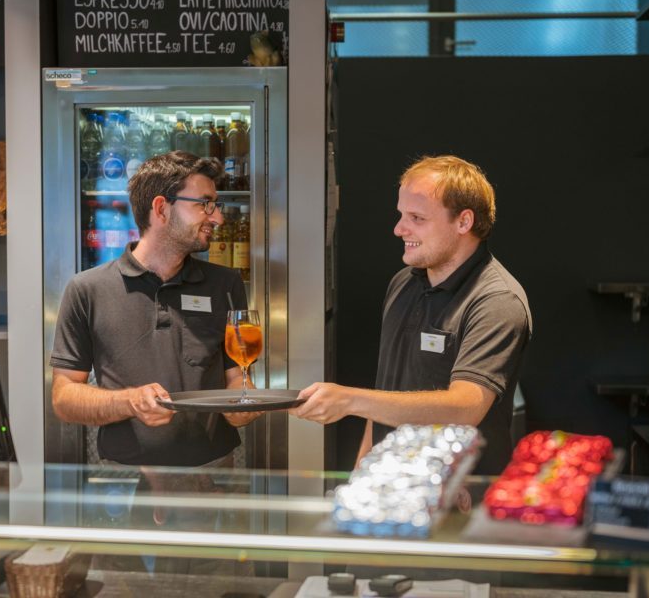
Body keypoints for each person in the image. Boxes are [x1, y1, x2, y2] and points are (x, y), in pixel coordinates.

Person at [291, 155, 532, 474]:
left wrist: (349, 400)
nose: (399, 229)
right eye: (401, 215)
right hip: (390, 482)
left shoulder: (496, 300)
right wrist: (361, 469)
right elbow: (385, 392)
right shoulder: (404, 282)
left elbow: (466, 407)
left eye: (417, 218)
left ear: (463, 222)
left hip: (457, 494)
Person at [50, 151, 259, 468]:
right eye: (204, 204)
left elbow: (238, 379)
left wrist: (243, 404)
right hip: (124, 478)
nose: (217, 218)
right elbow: (64, 398)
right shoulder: (87, 289)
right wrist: (131, 401)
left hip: (214, 473)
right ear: (161, 208)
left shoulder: (225, 284)